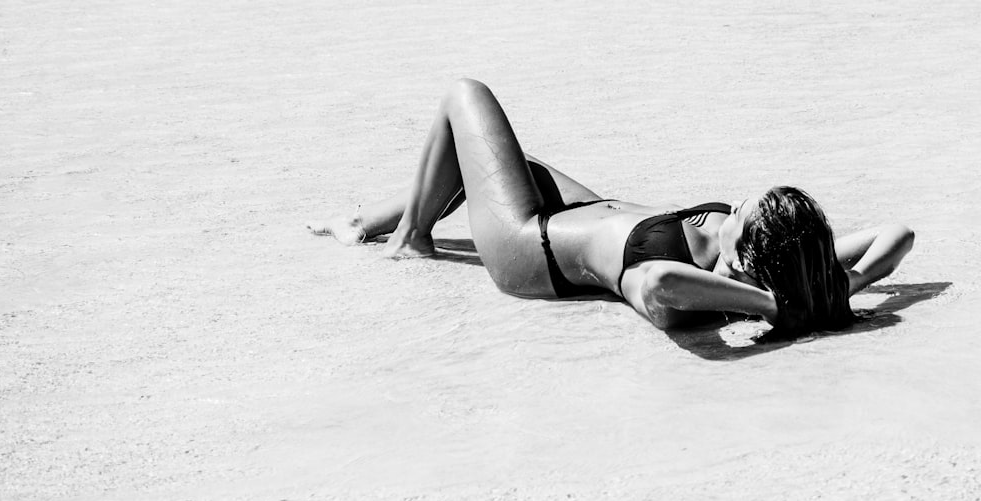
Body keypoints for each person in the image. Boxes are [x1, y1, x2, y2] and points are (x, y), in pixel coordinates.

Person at [312, 79, 914, 338]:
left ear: (752, 258)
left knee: (465, 97)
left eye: (739, 215)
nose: (730, 209)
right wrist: (849, 282)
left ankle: (410, 240)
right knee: (513, 164)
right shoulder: (790, 269)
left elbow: (655, 279)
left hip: (531, 245)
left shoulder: (696, 299)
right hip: (582, 206)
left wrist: (769, 305)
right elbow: (898, 233)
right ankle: (365, 223)